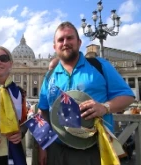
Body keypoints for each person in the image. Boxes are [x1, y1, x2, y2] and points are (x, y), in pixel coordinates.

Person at [37, 21, 135, 165]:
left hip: (92, 151)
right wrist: (42, 146)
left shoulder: (100, 65)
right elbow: (42, 112)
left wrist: (104, 107)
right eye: (61, 40)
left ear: (79, 42)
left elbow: (128, 96)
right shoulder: (49, 76)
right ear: (55, 46)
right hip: (56, 150)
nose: (65, 43)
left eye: (70, 38)